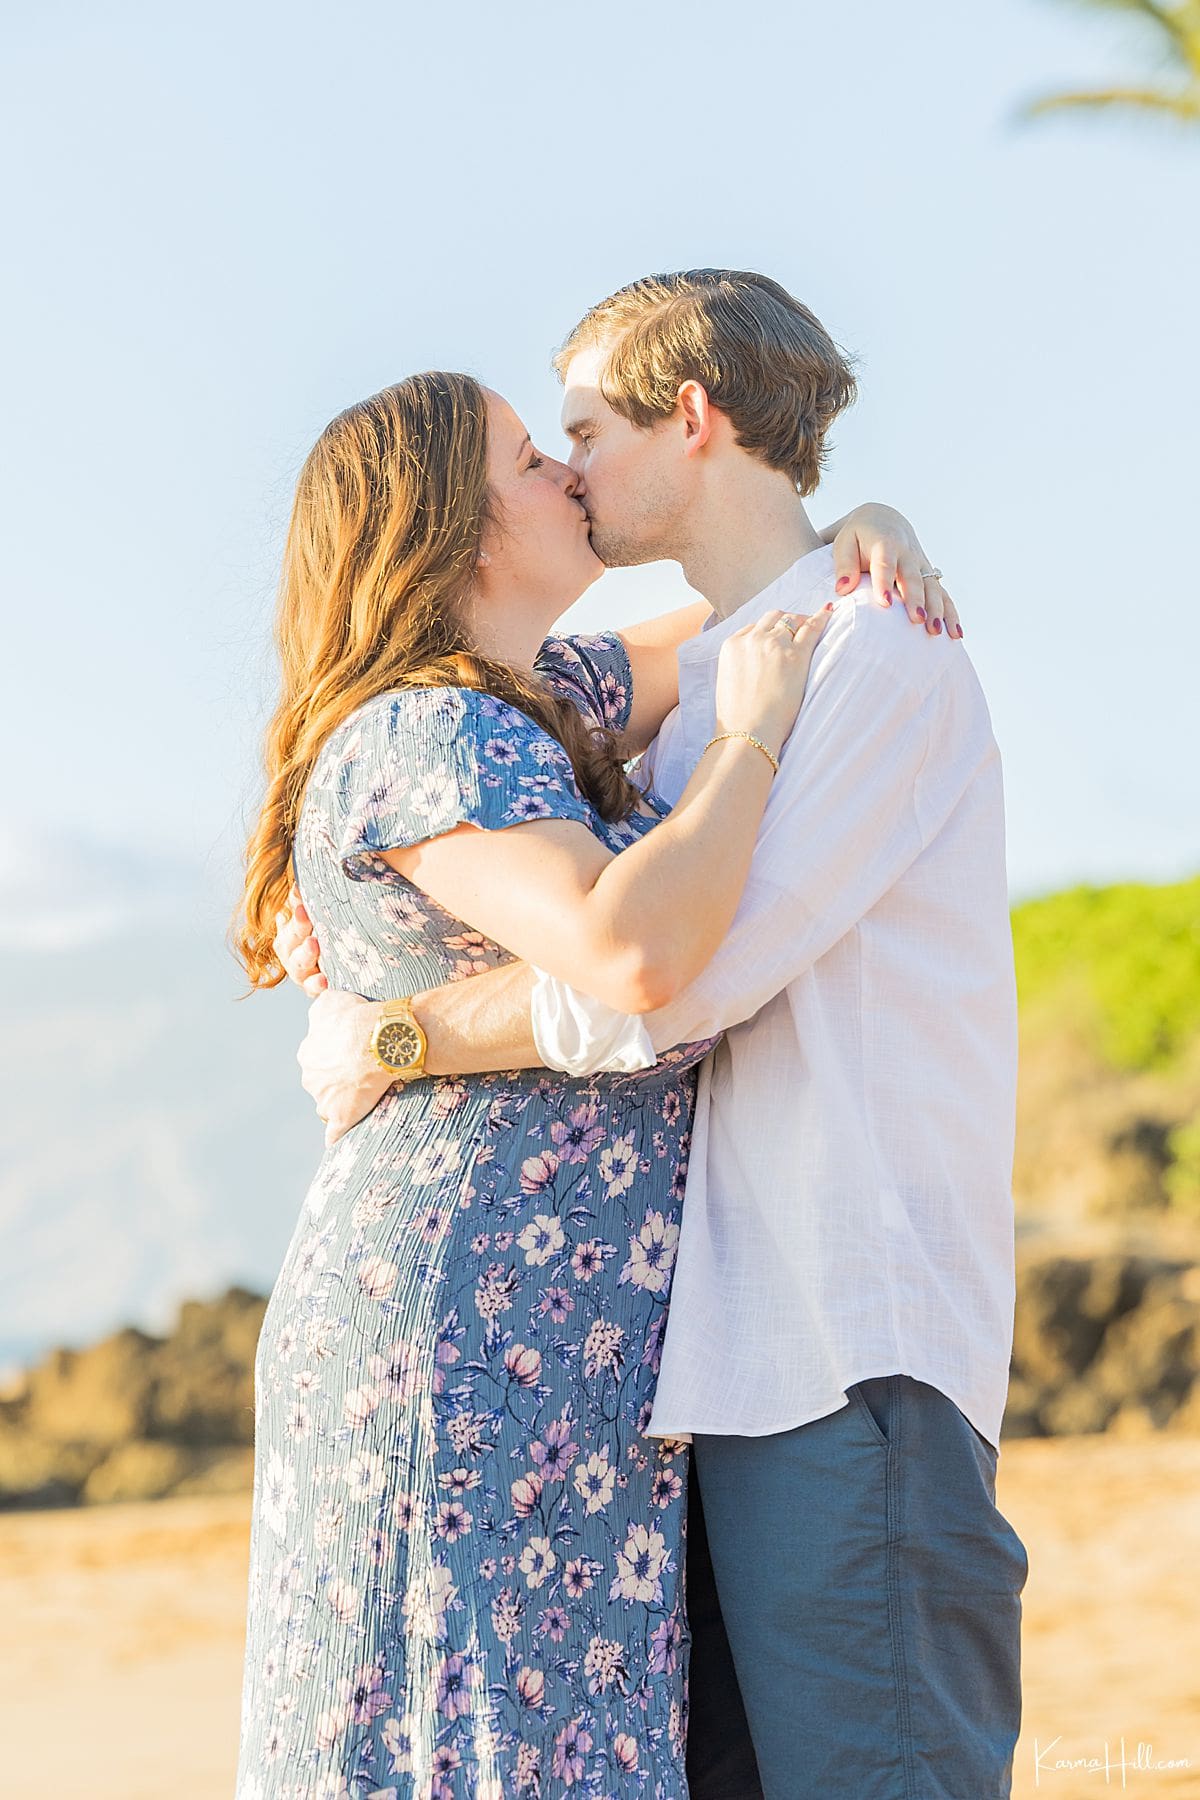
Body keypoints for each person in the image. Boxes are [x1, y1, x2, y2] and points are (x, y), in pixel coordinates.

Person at [278, 269, 1027, 1800]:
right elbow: (639, 937)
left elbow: (665, 976)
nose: (564, 467)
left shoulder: (848, 661)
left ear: (691, 419)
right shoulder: (608, 714)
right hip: (658, 1375)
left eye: (581, 429)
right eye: (533, 453)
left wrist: (409, 1037)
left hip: (834, 1346)